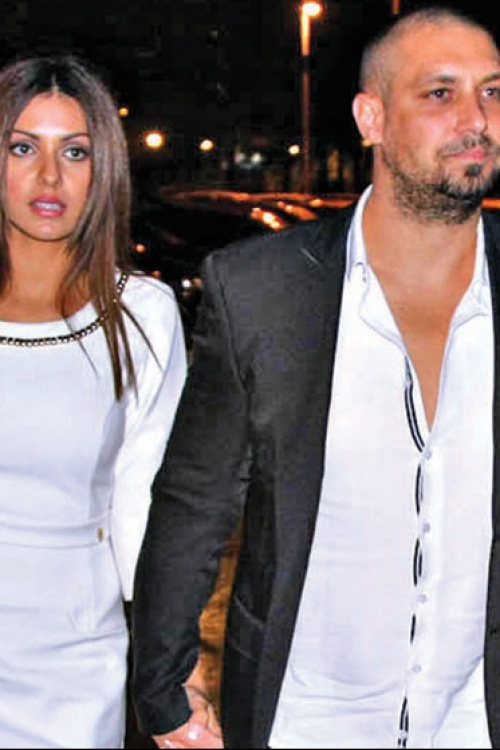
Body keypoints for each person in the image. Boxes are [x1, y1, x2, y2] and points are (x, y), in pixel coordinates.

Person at [132, 5, 500, 749]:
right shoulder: (263, 289)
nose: (476, 119)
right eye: (441, 93)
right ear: (371, 118)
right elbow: (196, 498)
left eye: (492, 91)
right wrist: (163, 683)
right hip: (308, 718)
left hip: (474, 719)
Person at [0, 52, 187, 749]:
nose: (49, 176)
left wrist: (177, 669)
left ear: (102, 168)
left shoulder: (141, 315)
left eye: (74, 152)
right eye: (23, 147)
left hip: (75, 666)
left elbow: (141, 504)